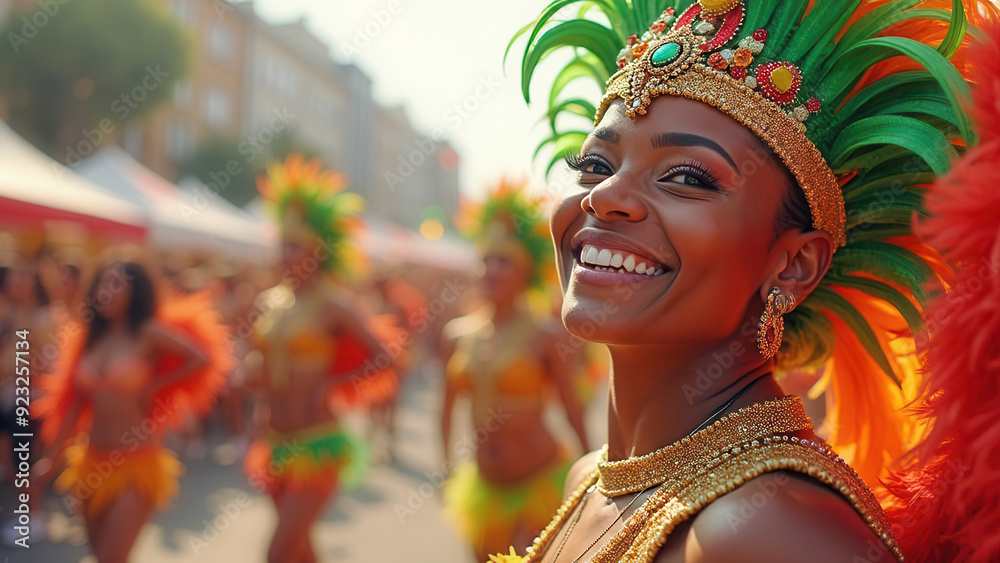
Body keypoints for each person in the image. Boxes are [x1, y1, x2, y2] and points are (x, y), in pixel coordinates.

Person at [492, 0, 998, 561]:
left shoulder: (762, 529)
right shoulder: (593, 479)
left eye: (686, 177)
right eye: (595, 165)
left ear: (794, 265)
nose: (604, 196)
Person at [32, 259, 230, 563]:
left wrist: (155, 387)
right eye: (101, 282)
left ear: (135, 291)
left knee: (112, 557)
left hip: (137, 464)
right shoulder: (90, 337)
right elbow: (74, 404)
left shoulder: (148, 333)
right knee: (101, 556)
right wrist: (51, 457)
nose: (105, 291)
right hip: (89, 464)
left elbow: (201, 358)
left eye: (116, 283)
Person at [243, 155, 389, 563]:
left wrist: (330, 385)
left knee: (277, 552)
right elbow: (264, 362)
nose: (286, 254)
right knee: (299, 551)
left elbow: (383, 356)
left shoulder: (333, 304)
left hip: (318, 443)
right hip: (274, 445)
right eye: (282, 244)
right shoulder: (269, 302)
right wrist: (253, 378)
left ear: (317, 252)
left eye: (296, 246)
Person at [441, 180, 589, 561]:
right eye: (486, 260)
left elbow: (571, 408)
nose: (491, 270)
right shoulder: (459, 334)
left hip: (537, 481)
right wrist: (445, 466)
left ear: (525, 272)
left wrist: (594, 475)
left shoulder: (545, 334)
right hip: (483, 487)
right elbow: (446, 407)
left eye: (503, 261)